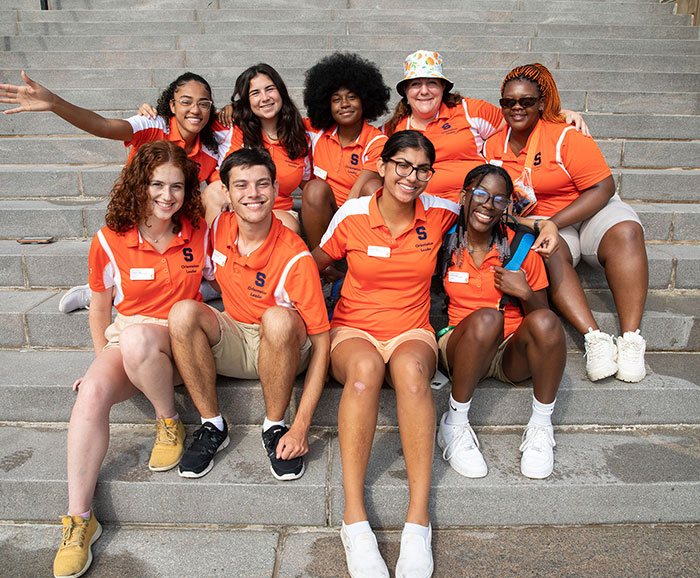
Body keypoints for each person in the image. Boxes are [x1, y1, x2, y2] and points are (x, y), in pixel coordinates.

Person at [51, 141, 211, 578]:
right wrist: (98, 364)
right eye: (157, 184)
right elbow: (101, 309)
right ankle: (80, 521)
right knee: (91, 394)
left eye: (177, 186)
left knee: (140, 337)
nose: (167, 195)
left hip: (181, 342)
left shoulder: (199, 230)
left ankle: (169, 420)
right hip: (131, 337)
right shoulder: (107, 240)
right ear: (139, 184)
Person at [313, 130, 457, 578]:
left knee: (413, 374)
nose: (411, 177)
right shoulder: (353, 215)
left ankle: (418, 522)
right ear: (383, 165)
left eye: (422, 169)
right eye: (402, 165)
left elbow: (494, 205)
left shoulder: (440, 213)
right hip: (354, 326)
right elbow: (313, 262)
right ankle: (354, 521)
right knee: (363, 371)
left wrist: (543, 225)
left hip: (411, 329)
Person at [0, 71, 227, 313]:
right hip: (138, 218)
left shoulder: (213, 145)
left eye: (204, 104)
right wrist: (55, 103)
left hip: (174, 221)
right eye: (186, 101)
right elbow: (104, 125)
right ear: (171, 105)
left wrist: (232, 109)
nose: (195, 109)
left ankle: (205, 275)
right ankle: (104, 289)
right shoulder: (153, 124)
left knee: (218, 193)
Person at [167, 148, 330, 480]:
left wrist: (301, 426)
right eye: (241, 185)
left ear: (274, 189)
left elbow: (322, 344)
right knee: (182, 313)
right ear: (225, 193)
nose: (253, 194)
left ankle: (275, 426)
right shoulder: (217, 229)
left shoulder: (296, 256)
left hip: (283, 348)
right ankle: (212, 425)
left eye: (262, 184)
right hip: (236, 337)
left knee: (278, 317)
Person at [483, 63, 648, 383]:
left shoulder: (564, 134)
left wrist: (553, 223)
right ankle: (595, 339)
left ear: (541, 103)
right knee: (547, 248)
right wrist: (541, 225)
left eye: (527, 101)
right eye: (508, 102)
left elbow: (604, 188)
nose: (517, 108)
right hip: (542, 219)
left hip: (589, 209)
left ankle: (630, 340)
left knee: (627, 232)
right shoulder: (493, 147)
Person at [437, 164, 566, 481]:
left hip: (509, 352)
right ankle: (454, 422)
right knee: (486, 319)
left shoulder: (522, 249)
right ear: (464, 195)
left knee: (548, 323)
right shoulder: (443, 242)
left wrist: (525, 292)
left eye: (498, 199)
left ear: (508, 205)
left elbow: (542, 317)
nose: (487, 205)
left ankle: (540, 427)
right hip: (459, 344)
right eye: (480, 194)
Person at [384, 50, 589, 203]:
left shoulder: (469, 110)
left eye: (432, 83)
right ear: (405, 90)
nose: (424, 91)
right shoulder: (393, 129)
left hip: (474, 203)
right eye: (415, 84)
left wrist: (558, 114)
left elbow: (519, 118)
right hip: (420, 204)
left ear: (443, 87)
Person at [198, 63, 310, 231]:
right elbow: (189, 122)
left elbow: (308, 183)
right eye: (255, 93)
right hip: (233, 206)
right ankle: (213, 256)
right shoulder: (230, 126)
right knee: (214, 191)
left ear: (281, 91)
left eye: (270, 89)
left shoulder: (301, 135)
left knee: (287, 226)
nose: (265, 98)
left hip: (278, 211)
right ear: (246, 100)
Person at [301, 52, 390, 250]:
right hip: (324, 212)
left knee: (373, 186)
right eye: (336, 99)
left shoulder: (376, 140)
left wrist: (338, 227)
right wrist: (234, 109)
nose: (345, 105)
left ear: (365, 100)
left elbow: (356, 194)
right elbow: (279, 118)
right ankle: (322, 264)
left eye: (352, 97)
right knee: (314, 188)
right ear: (326, 104)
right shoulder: (317, 132)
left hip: (358, 213)